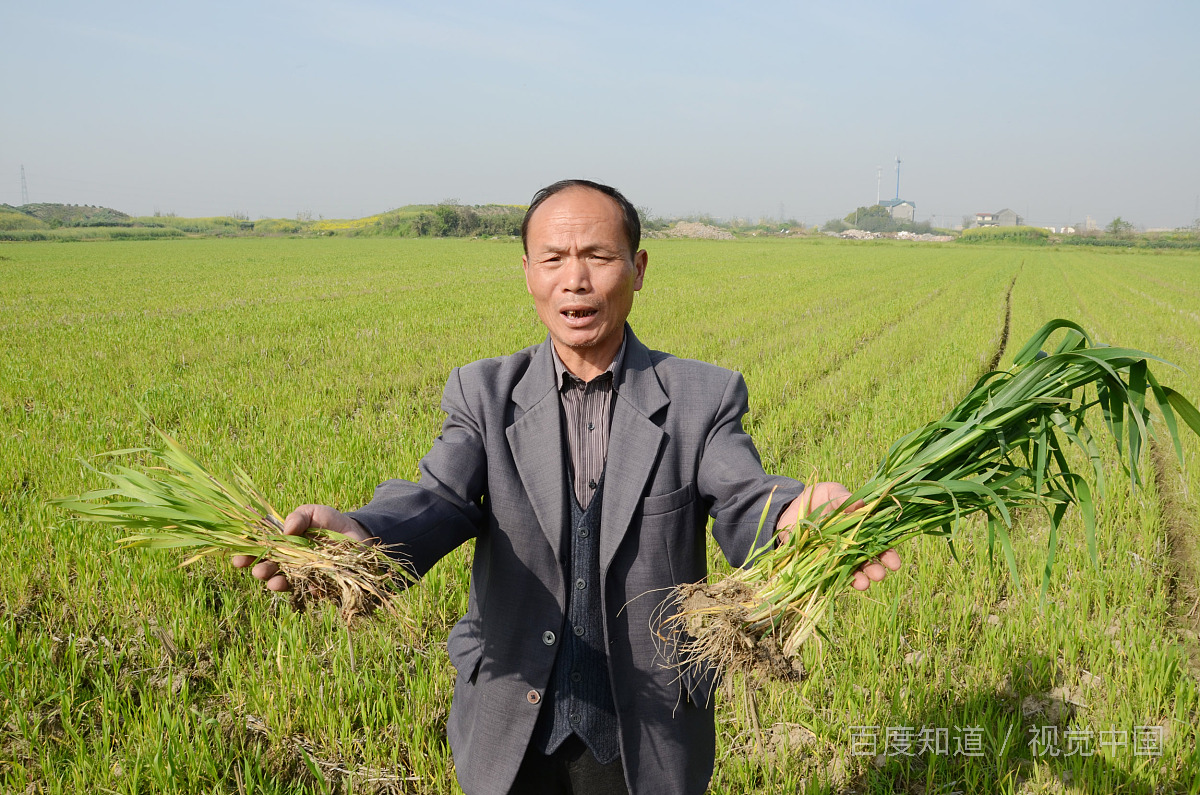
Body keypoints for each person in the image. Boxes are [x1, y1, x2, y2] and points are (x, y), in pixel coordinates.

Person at [234, 179, 900, 795]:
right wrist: (363, 537)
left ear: (638, 270)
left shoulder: (702, 396)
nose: (575, 280)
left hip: (647, 728)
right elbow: (439, 499)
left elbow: (742, 495)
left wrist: (792, 516)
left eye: (598, 257)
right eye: (552, 259)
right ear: (526, 274)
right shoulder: (484, 393)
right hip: (511, 718)